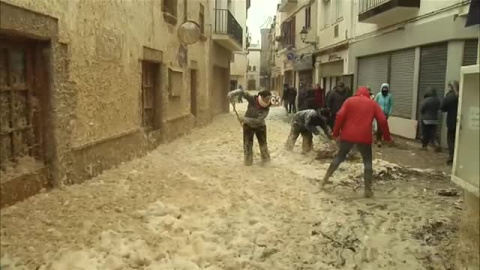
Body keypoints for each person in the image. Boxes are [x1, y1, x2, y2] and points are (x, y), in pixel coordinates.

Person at [320, 87, 392, 198]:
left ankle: (324, 181)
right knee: (367, 162)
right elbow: (382, 119)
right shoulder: (372, 103)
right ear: (368, 94)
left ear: (357, 93)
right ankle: (367, 190)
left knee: (339, 157)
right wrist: (386, 137)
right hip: (364, 137)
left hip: (348, 135)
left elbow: (339, 116)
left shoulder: (349, 101)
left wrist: (336, 133)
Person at [227, 89, 272, 166]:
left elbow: (258, 120)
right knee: (247, 146)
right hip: (248, 127)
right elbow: (242, 92)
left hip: (260, 127)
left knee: (263, 146)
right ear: (261, 97)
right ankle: (248, 163)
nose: (268, 100)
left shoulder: (267, 107)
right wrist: (232, 94)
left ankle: (266, 162)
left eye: (269, 99)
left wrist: (244, 119)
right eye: (267, 98)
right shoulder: (252, 99)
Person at [441, 80, 459, 165]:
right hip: (462, 121)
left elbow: (443, 107)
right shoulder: (462, 94)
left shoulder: (450, 96)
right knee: (458, 140)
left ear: (450, 87)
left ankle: (452, 157)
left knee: (451, 140)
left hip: (452, 122)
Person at [374, 83, 393, 147]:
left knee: (382, 126)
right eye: (383, 88)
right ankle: (379, 140)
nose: (384, 90)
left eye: (386, 89)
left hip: (386, 114)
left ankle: (378, 138)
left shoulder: (390, 96)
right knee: (380, 126)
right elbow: (375, 103)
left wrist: (389, 113)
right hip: (379, 113)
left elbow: (391, 106)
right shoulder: (378, 95)